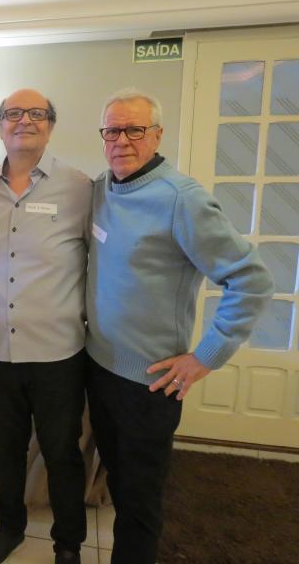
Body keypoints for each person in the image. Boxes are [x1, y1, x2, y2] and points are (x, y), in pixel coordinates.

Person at [86, 88, 274, 564]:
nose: (121, 140)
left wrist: (204, 357)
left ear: (157, 135)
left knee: (139, 503)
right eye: (112, 130)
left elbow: (251, 281)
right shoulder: (101, 188)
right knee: (118, 485)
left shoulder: (181, 199)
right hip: (99, 367)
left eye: (135, 130)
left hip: (149, 384)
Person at [0, 89, 92, 564]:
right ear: (0, 126)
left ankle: (68, 544)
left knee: (62, 453)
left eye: (37, 113)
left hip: (57, 354)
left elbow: (98, 259)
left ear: (51, 126)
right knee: (6, 450)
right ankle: (9, 528)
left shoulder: (80, 188)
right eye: (13, 113)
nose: (25, 121)